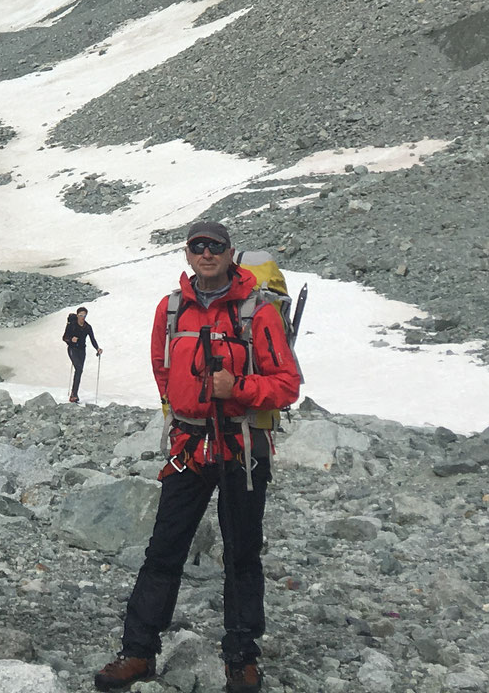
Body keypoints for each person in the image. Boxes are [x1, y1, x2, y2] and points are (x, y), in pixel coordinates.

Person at [94, 220, 301, 693]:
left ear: (231, 254)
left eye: (216, 247)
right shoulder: (171, 311)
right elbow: (162, 370)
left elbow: (287, 385)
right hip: (191, 447)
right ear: (187, 255)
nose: (206, 254)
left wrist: (239, 388)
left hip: (242, 446)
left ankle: (242, 657)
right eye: (197, 247)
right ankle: (138, 651)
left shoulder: (259, 312)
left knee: (242, 553)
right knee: (164, 549)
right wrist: (186, 409)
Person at [63, 306, 101, 403]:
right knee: (78, 368)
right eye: (80, 315)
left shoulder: (87, 327)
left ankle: (74, 393)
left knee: (79, 371)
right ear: (77, 315)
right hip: (72, 348)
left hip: (82, 350)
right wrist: (71, 339)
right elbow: (64, 337)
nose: (82, 317)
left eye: (84, 315)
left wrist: (97, 348)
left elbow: (92, 339)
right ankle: (74, 394)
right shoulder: (72, 325)